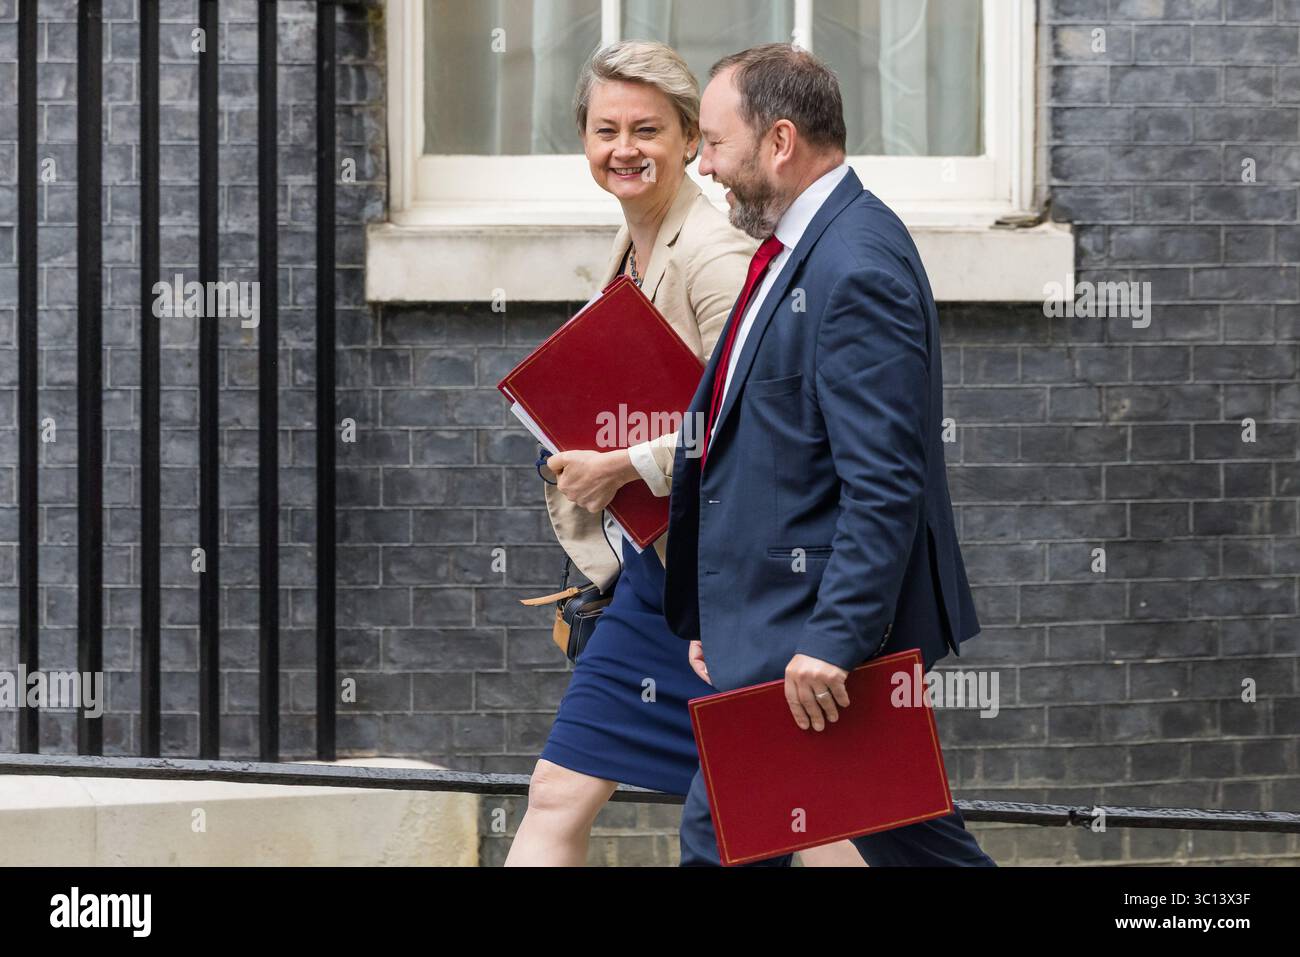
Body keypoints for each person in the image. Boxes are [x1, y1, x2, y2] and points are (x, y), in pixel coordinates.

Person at [504, 40, 865, 867]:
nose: (623, 148)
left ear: (686, 141)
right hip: (662, 577)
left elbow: (755, 416)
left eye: (649, 129)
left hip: (730, 586)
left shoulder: (714, 252)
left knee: (797, 808)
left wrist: (624, 465)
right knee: (559, 790)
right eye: (605, 129)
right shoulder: (636, 243)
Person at [663, 43, 997, 867]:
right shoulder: (795, 248)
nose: (702, 167)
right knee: (892, 848)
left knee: (731, 846)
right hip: (773, 631)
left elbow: (884, 481)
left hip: (812, 645)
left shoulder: (854, 265)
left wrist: (835, 641)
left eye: (712, 143)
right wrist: (715, 611)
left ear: (779, 142)